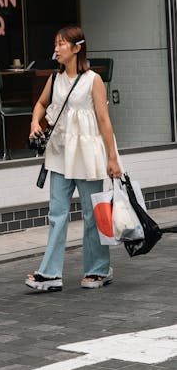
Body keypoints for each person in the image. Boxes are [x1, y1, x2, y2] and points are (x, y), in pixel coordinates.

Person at [25, 25, 122, 293]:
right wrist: (35, 121)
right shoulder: (54, 79)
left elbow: (104, 121)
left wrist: (112, 158)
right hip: (59, 154)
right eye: (55, 44)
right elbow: (41, 104)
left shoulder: (93, 80)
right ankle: (50, 273)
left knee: (93, 215)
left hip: (88, 155)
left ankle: (98, 269)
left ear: (76, 48)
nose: (56, 49)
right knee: (57, 214)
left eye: (61, 44)